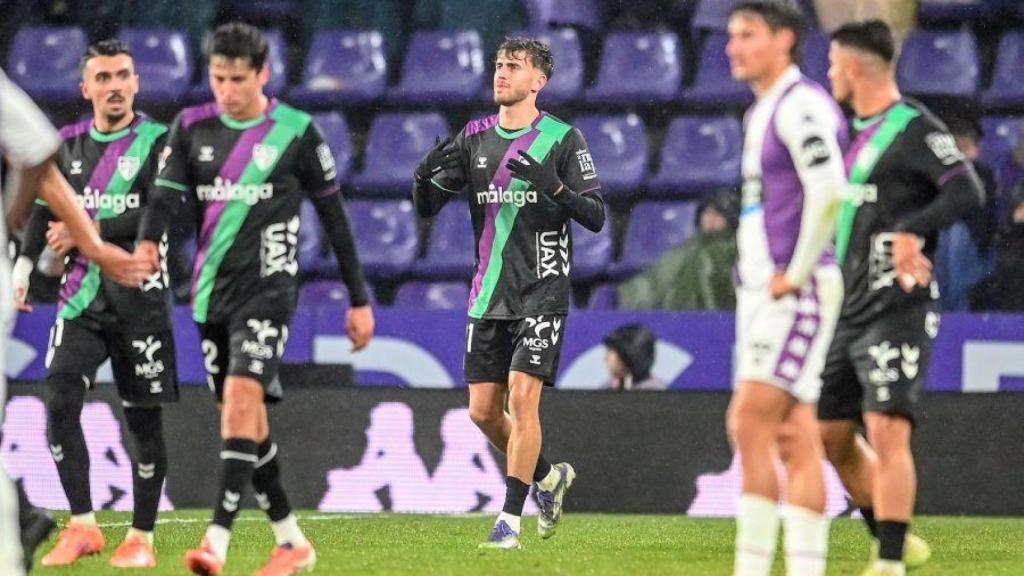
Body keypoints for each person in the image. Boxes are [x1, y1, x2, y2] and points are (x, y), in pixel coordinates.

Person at [133, 22, 375, 575]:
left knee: (242, 401)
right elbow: (164, 199)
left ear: (263, 75)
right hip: (210, 294)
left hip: (270, 292)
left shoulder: (296, 131)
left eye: (238, 79)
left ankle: (215, 541)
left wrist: (358, 299)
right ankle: (291, 541)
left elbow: (335, 220)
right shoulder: (190, 128)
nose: (226, 90)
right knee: (244, 420)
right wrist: (147, 241)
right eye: (218, 77)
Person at [412, 36, 604, 550]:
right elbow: (428, 206)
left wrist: (554, 187)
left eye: (513, 67)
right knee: (481, 412)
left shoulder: (563, 139)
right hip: (487, 294)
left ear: (538, 81)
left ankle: (508, 522)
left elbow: (596, 216)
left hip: (542, 289)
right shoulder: (474, 137)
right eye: (499, 65)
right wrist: (421, 175)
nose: (501, 73)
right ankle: (547, 479)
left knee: (523, 397)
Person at [821, 20, 985, 576]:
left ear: (853, 67)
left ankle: (888, 560)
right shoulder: (847, 131)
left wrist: (915, 229)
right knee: (831, 435)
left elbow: (968, 189)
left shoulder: (915, 127)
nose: (828, 74)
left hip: (899, 303)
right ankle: (896, 537)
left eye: (832, 63)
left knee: (888, 426)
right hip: (847, 307)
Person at [12, 38, 177, 570]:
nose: (114, 86)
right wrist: (21, 268)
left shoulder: (158, 141)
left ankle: (142, 537)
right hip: (80, 300)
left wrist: (87, 233)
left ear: (136, 83)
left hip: (139, 299)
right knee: (59, 402)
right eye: (102, 78)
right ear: (85, 89)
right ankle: (82, 525)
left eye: (122, 75)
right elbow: (42, 210)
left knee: (142, 423)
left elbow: (163, 212)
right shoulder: (66, 143)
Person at [724, 2, 848, 575]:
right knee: (796, 435)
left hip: (794, 292)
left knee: (749, 419)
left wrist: (794, 274)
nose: (733, 47)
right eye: (731, 36)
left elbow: (829, 192)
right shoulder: (763, 110)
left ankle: (749, 569)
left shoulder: (801, 107)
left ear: (785, 40)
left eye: (747, 35)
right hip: (765, 292)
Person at [617, 190, 739, 311]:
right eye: (707, 213)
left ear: (730, 219)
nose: (710, 219)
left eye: (718, 214)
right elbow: (656, 281)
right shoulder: (684, 250)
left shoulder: (737, 249)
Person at [602, 324, 665, 391]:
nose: (605, 358)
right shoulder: (608, 387)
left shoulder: (655, 392)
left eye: (610, 352)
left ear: (626, 356)